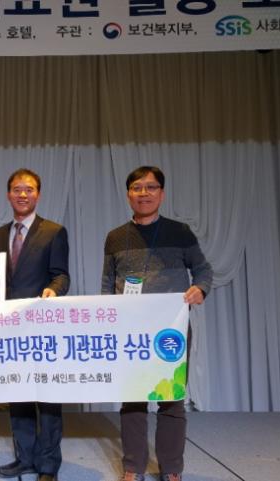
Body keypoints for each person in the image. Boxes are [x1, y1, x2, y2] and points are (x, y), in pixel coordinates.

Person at [101, 166, 213, 481]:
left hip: (170, 329)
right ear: (128, 195)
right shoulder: (115, 237)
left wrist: (200, 288)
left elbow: (203, 270)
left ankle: (171, 469)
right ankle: (133, 467)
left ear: (161, 194)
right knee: (133, 400)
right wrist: (106, 319)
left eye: (151, 187)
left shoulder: (180, 232)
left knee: (171, 399)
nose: (144, 193)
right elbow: (108, 283)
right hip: (130, 331)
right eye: (137, 187)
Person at [0, 168, 70, 481]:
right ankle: (25, 458)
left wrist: (54, 290)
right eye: (17, 189)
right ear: (8, 194)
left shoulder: (54, 231)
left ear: (38, 194)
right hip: (10, 326)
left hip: (43, 324)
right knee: (19, 394)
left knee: (48, 398)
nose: (22, 194)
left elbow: (61, 274)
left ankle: (48, 465)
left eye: (29, 189)